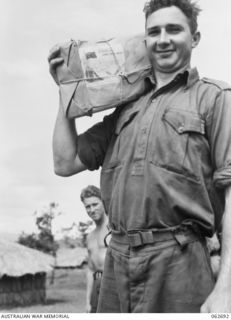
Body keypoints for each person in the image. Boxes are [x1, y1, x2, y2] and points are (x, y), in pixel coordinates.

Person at [48, 0, 231, 313]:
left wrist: (225, 288)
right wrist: (68, 92)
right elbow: (64, 163)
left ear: (195, 38)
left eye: (174, 29)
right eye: (154, 31)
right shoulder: (124, 109)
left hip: (180, 261)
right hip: (117, 260)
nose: (162, 39)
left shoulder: (215, 98)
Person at [80, 185, 109, 313]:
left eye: (95, 204)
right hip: (97, 287)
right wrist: (87, 301)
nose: (91, 209)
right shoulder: (90, 237)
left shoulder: (115, 229)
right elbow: (90, 270)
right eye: (88, 206)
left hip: (113, 285)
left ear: (103, 202)